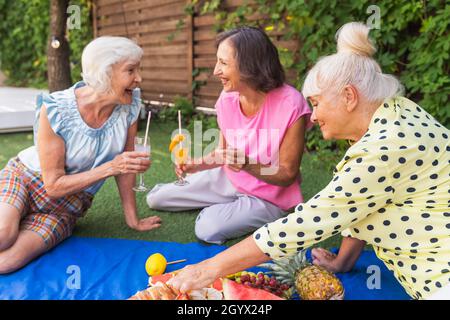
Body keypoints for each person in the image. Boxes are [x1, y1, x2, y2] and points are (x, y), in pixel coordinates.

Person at [167, 22, 450, 300]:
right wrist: (343, 263)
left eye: (316, 103)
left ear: (349, 96)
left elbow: (308, 222)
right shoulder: (399, 112)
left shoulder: (382, 150)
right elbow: (363, 202)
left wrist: (206, 269)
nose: (312, 116)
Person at [0, 36, 161, 273]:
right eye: (131, 70)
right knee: (3, 235)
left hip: (68, 206)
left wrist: (132, 219)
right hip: (26, 179)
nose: (139, 78)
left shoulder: (130, 106)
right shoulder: (56, 108)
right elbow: (53, 185)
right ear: (105, 73)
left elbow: (126, 166)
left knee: (6, 263)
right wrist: (110, 167)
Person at [146, 27, 312, 244]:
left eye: (223, 63)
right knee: (156, 198)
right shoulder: (227, 99)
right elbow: (223, 153)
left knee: (207, 229)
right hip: (230, 179)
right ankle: (225, 203)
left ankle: (234, 210)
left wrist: (247, 164)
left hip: (268, 197)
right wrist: (195, 165)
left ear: (250, 66)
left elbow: (287, 174)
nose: (216, 71)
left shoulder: (291, 104)